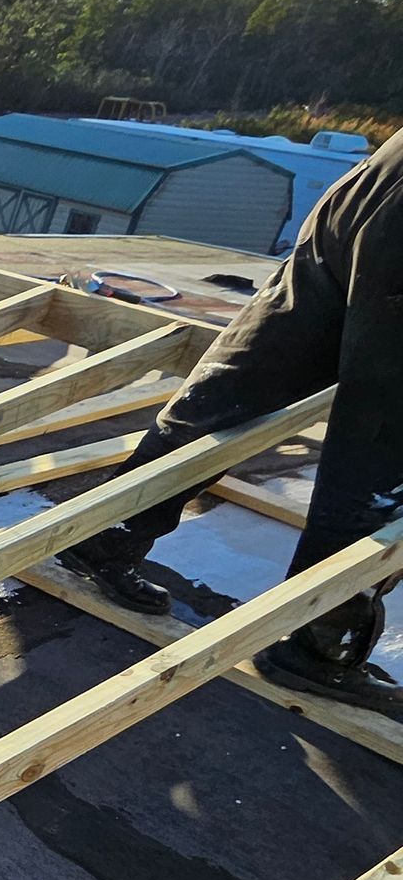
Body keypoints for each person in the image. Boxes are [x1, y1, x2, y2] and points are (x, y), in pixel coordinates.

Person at [61, 125, 403, 712]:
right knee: (382, 452)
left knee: (243, 379)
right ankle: (319, 645)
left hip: (374, 186)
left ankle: (109, 533)